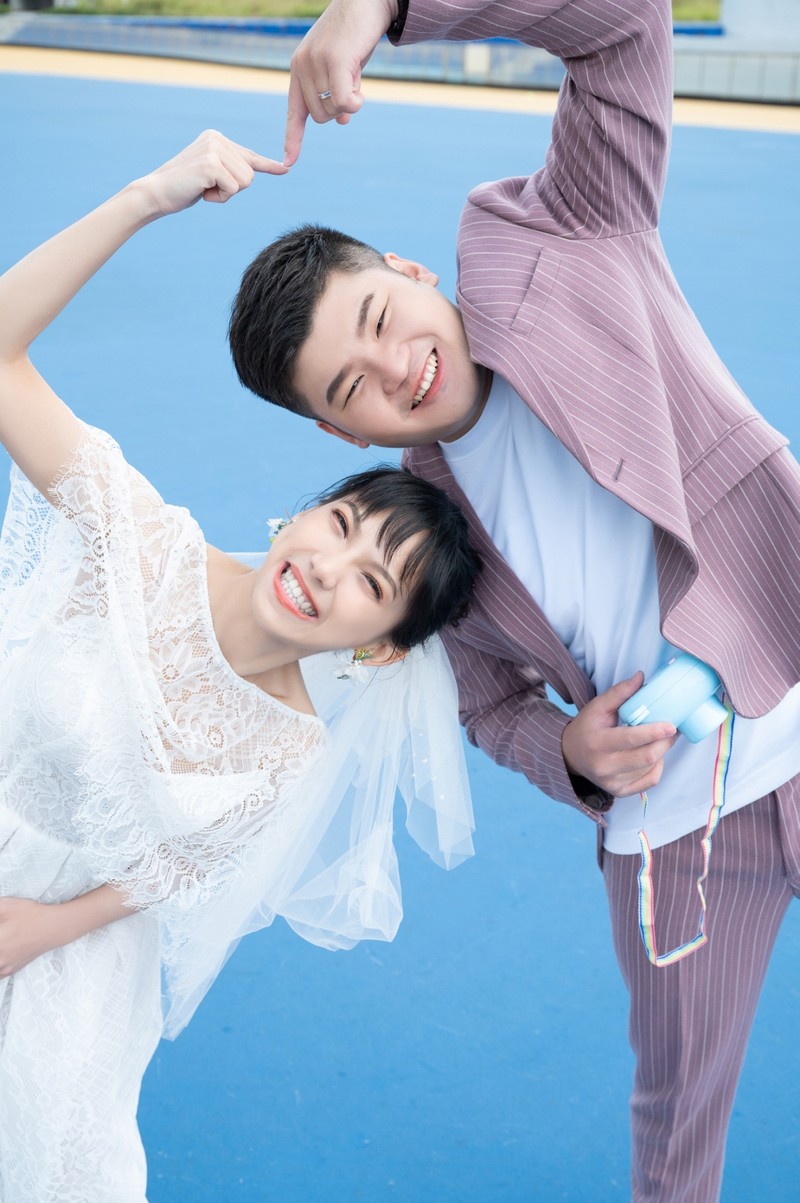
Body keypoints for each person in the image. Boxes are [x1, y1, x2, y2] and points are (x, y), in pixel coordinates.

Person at [227, 2, 800, 1200]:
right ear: (339, 433)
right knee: (674, 1139)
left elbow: (623, 24)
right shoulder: (416, 534)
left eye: (378, 320)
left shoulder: (564, 231)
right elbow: (487, 708)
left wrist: (383, 7)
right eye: (350, 388)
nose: (397, 369)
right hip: (676, 829)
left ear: (406, 269)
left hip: (787, 648)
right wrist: (571, 755)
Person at [0, 129, 480, 1203]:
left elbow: (172, 869)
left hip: (64, 968)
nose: (327, 569)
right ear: (307, 506)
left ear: (378, 643)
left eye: (371, 583)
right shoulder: (136, 538)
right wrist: (146, 195)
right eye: (341, 525)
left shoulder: (287, 749)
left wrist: (44, 929)